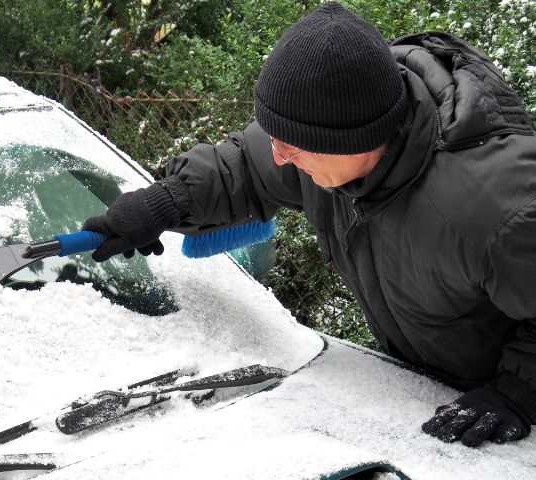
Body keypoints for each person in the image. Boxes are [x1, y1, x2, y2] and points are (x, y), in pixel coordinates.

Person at [82, 2, 536, 447]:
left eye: (292, 145)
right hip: (426, 390)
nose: (281, 156)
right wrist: (166, 201)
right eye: (278, 137)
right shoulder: (325, 139)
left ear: (352, 140)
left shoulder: (496, 207)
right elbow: (246, 164)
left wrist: (519, 392)